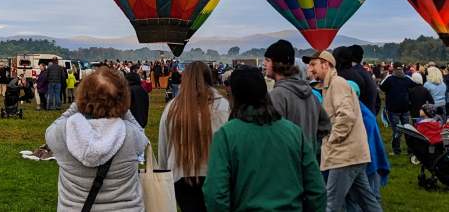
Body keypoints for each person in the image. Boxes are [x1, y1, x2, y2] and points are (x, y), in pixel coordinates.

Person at [203, 67, 324, 211]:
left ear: (234, 96)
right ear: (266, 94)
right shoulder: (294, 133)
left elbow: (215, 193)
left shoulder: (226, 136)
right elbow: (317, 189)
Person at [44, 66, 148, 211]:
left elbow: (50, 131)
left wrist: (78, 104)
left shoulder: (63, 132)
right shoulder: (131, 135)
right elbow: (142, 136)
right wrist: (123, 108)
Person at [304, 50, 382, 212]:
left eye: (313, 64)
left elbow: (346, 116)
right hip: (353, 153)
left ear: (326, 65)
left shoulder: (337, 83)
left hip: (344, 155)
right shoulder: (329, 85)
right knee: (367, 201)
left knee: (331, 203)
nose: (310, 69)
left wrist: (331, 140)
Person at [158, 62, 229, 211]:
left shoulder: (172, 108)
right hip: (214, 175)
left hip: (181, 176)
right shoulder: (223, 106)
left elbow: (163, 147)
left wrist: (164, 174)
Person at [265, 40, 330, 153]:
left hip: (287, 163)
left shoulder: (277, 95)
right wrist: (311, 148)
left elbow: (272, 135)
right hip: (307, 163)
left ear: (277, 63)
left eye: (267, 60)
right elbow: (325, 126)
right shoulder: (311, 94)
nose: (264, 63)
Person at [378, 67, 415, 155]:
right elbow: (413, 86)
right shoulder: (407, 79)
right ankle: (410, 149)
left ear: (394, 70)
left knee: (396, 129)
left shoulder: (390, 79)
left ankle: (396, 150)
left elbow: (382, 87)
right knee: (407, 129)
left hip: (393, 107)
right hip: (405, 107)